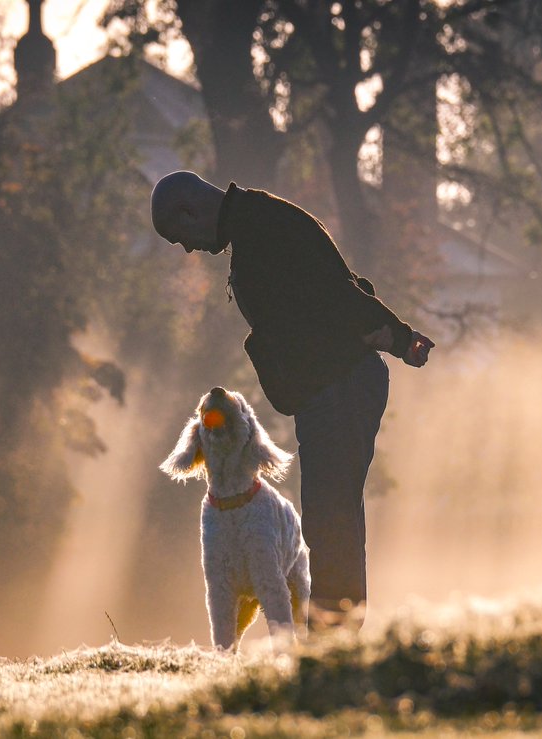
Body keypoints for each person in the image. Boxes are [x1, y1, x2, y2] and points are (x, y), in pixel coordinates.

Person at [150, 170, 434, 629]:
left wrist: (400, 338)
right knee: (331, 515)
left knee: (330, 516)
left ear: (190, 211)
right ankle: (333, 637)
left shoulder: (264, 228)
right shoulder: (256, 227)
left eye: (179, 236)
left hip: (339, 385)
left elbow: (337, 294)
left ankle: (332, 640)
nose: (187, 248)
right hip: (329, 388)